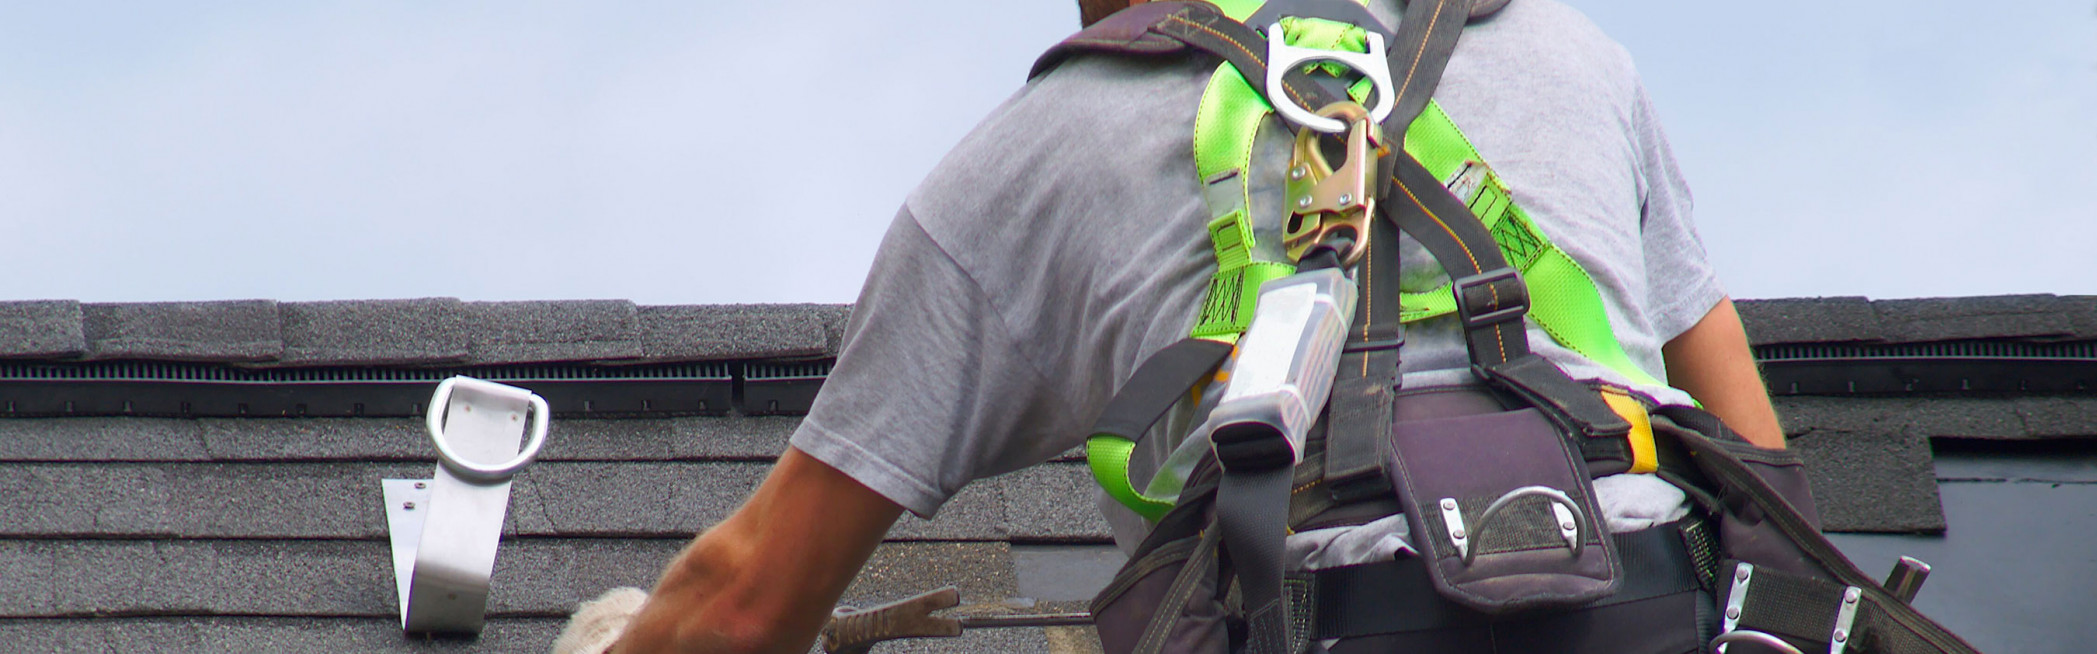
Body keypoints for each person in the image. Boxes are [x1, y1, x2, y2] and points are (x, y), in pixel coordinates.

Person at [554, 0, 1786, 651]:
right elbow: (1765, 488)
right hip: (1654, 608)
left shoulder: (1033, 158)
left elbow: (743, 608)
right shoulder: (1573, 55)